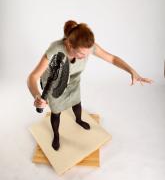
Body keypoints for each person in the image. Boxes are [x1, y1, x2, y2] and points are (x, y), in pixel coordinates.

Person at [27, 20, 153, 150]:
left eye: (88, 53)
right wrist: (37, 96)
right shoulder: (55, 49)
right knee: (56, 111)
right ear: (70, 45)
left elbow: (112, 59)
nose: (86, 56)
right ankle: (56, 135)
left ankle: (79, 120)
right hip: (54, 83)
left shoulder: (87, 47)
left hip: (73, 80)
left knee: (76, 102)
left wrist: (131, 71)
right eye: (82, 54)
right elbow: (32, 77)